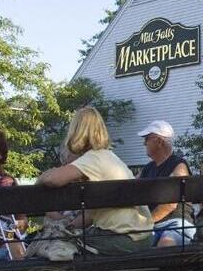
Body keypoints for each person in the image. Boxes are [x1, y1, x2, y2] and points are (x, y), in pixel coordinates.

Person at [36, 107, 153, 255]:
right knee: (65, 240)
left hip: (122, 238)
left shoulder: (93, 158)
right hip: (143, 237)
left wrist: (40, 177)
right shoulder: (110, 157)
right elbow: (90, 216)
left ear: (76, 132)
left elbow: (52, 180)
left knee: (54, 245)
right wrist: (69, 227)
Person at [136, 120, 195, 247]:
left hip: (176, 224)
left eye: (146, 139)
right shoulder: (147, 169)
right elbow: (129, 189)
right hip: (151, 227)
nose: (143, 143)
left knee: (166, 244)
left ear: (159, 141)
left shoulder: (179, 166)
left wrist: (145, 224)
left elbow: (170, 204)